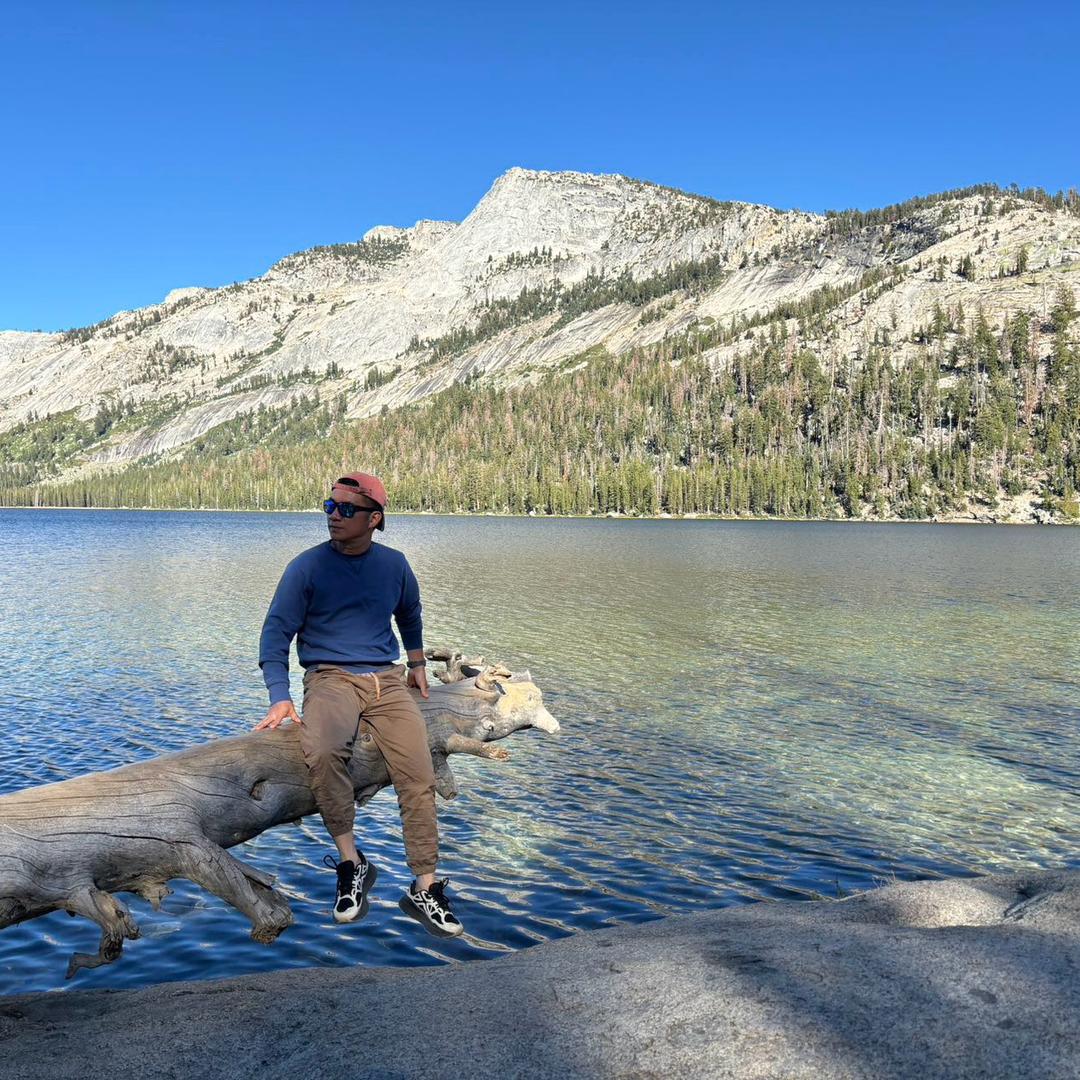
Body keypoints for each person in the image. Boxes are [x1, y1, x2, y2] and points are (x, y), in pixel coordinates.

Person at [253, 472, 463, 938]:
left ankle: (424, 886)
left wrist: (416, 662)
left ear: (375, 519)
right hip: (330, 678)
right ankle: (353, 864)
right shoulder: (306, 567)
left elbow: (409, 612)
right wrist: (281, 696)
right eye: (329, 507)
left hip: (387, 681)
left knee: (417, 773)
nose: (334, 516)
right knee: (325, 753)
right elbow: (275, 635)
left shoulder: (394, 564)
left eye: (346, 509)